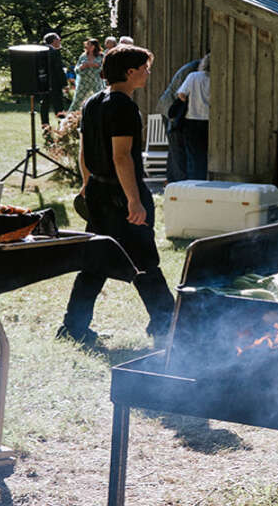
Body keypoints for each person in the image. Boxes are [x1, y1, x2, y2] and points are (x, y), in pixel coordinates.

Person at [61, 45, 175, 347]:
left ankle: (73, 326)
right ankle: (167, 323)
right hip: (120, 195)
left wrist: (87, 184)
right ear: (130, 72)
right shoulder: (123, 106)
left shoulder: (91, 103)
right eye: (145, 68)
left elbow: (84, 151)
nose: (148, 73)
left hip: (99, 192)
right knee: (144, 260)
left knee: (95, 262)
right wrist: (134, 201)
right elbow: (121, 157)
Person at [157, 56, 203, 182]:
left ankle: (171, 181)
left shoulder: (196, 69)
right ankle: (178, 183)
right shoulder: (192, 71)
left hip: (176, 110)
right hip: (171, 108)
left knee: (175, 149)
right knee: (177, 147)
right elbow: (180, 95)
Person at [172, 54, 211, 181]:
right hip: (210, 121)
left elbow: (181, 95)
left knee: (194, 156)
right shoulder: (219, 78)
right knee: (208, 155)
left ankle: (194, 182)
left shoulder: (193, 76)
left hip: (192, 119)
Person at [39, 32, 69, 127]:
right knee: (58, 105)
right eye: (58, 39)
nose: (60, 41)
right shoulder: (54, 52)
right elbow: (58, 69)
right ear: (54, 40)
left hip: (43, 82)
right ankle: (62, 125)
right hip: (55, 83)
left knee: (45, 104)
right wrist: (64, 83)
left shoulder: (41, 51)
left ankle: (45, 125)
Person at [69, 38, 105, 111]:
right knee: (77, 101)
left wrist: (96, 65)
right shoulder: (83, 56)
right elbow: (76, 69)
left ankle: (103, 113)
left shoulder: (101, 56)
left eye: (89, 45)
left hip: (96, 81)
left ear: (94, 46)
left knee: (101, 99)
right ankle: (70, 115)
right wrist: (82, 67)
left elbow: (105, 68)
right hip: (84, 82)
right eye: (87, 45)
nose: (87, 46)